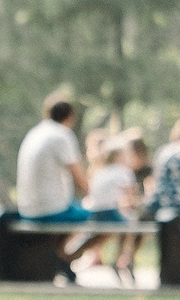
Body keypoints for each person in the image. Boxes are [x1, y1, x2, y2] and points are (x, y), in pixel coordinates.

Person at [15, 96, 93, 286]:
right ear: (70, 117)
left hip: (26, 209)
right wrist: (96, 195)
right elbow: (80, 178)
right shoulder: (61, 135)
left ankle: (58, 259)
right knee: (98, 218)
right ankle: (64, 259)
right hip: (50, 210)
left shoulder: (34, 133)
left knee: (71, 215)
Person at [80, 134, 149, 283]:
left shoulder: (99, 172)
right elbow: (131, 199)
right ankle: (124, 259)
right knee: (134, 225)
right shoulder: (124, 172)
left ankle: (120, 261)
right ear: (119, 156)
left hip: (94, 214)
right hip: (109, 213)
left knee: (127, 222)